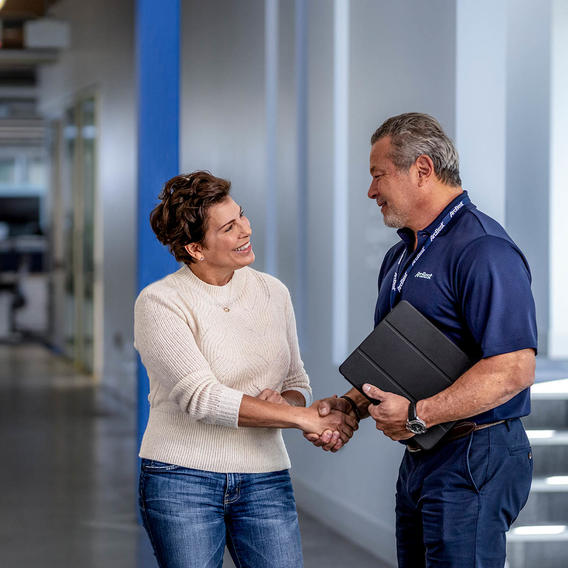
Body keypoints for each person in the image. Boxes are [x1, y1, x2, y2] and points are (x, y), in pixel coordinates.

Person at [307, 113, 537, 567]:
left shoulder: (484, 249)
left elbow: (514, 369)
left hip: (477, 453)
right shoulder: (401, 254)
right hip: (423, 457)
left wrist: (417, 415)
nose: (371, 191)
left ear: (423, 169)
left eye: (378, 176)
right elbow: (397, 359)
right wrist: (352, 405)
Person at [135, 171, 357, 568]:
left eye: (242, 216)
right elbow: (201, 399)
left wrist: (287, 402)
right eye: (229, 227)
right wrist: (301, 418)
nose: (246, 230)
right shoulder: (160, 303)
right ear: (196, 248)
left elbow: (296, 381)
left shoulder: (273, 292)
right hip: (182, 479)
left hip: (265, 476)